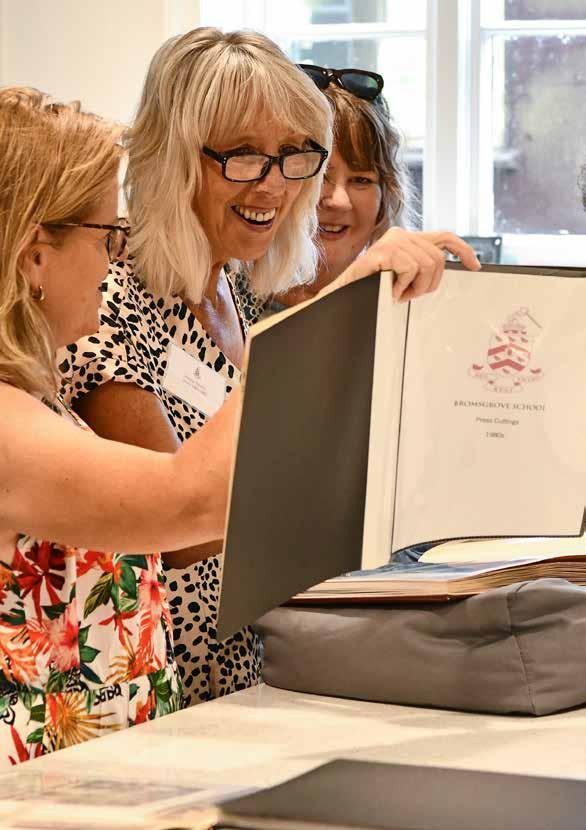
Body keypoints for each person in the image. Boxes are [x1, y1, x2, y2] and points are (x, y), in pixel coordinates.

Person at [58, 28, 481, 708]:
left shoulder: (239, 286)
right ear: (174, 158)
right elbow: (181, 533)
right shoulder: (107, 296)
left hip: (262, 673)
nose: (275, 185)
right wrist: (340, 314)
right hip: (163, 689)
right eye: (245, 155)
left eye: (293, 155)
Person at [0, 87, 243, 766]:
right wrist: (337, 311)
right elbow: (193, 500)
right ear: (36, 255)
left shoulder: (38, 400)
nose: (114, 262)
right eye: (107, 236)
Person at [242, 66, 419, 316]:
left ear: (387, 196)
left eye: (361, 180)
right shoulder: (223, 302)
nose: (339, 201)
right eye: (322, 176)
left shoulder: (404, 310)